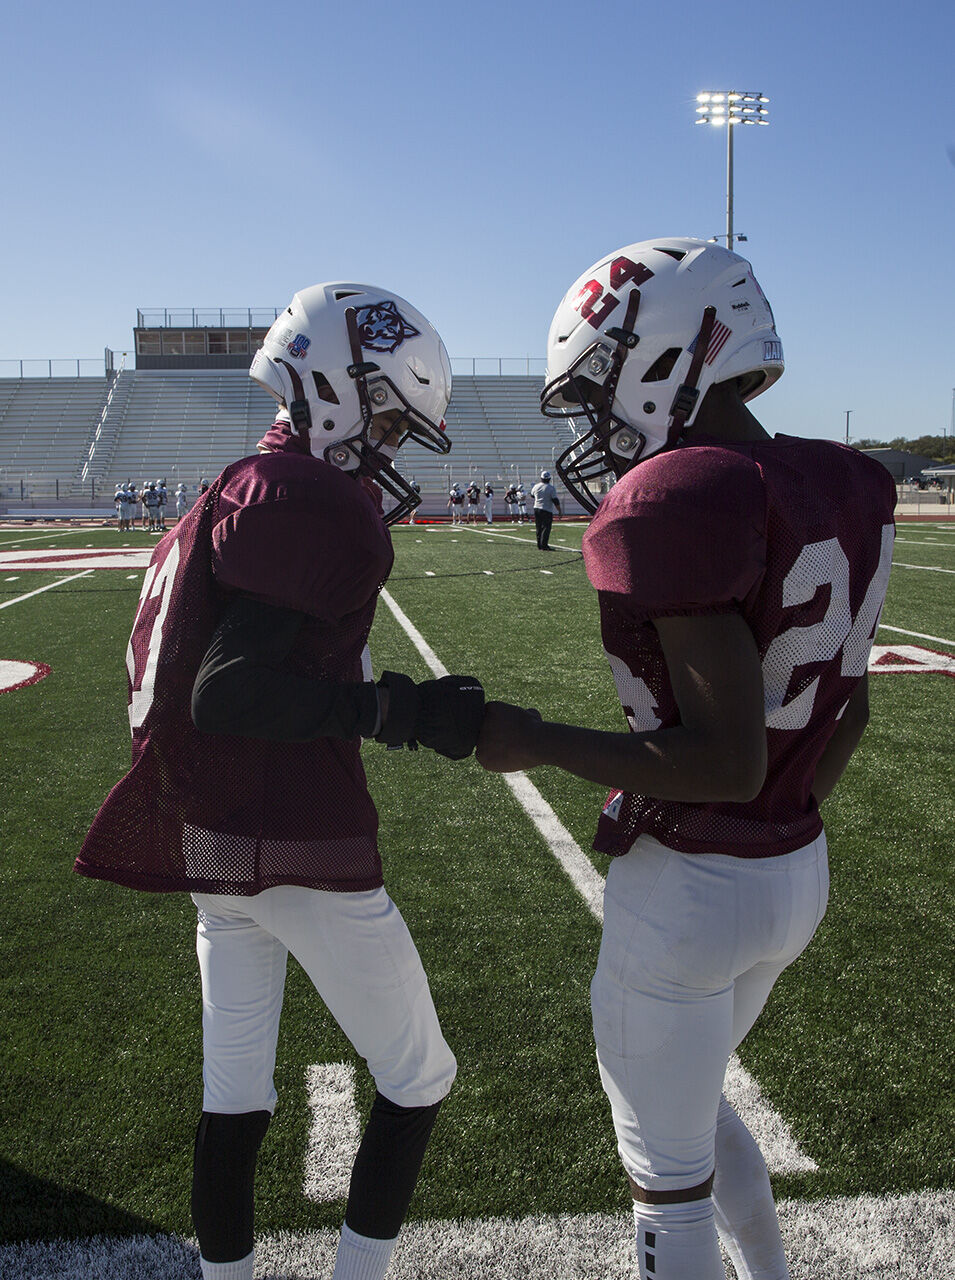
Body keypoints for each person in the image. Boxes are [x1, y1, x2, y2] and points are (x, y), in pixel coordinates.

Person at [477, 237, 896, 1280]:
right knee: (694, 1104)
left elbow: (720, 760)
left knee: (665, 1175)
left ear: (668, 355)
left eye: (598, 387)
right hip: (796, 869)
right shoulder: (845, 478)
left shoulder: (675, 492)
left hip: (691, 885)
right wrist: (778, 823)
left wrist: (530, 739)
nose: (592, 421)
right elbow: (848, 719)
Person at [75, 281, 485, 1280]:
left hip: (218, 837)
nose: (388, 443)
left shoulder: (241, 482)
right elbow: (231, 690)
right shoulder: (304, 499)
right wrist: (391, 710)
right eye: (386, 414)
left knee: (236, 1095)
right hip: (299, 835)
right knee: (422, 1073)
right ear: (337, 389)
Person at [530, 469, 560, 549]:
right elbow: (555, 500)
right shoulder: (551, 488)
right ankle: (544, 545)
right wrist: (559, 510)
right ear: (549, 479)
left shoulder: (536, 486)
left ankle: (539, 544)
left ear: (541, 478)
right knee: (546, 528)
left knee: (538, 527)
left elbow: (532, 495)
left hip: (536, 508)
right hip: (546, 509)